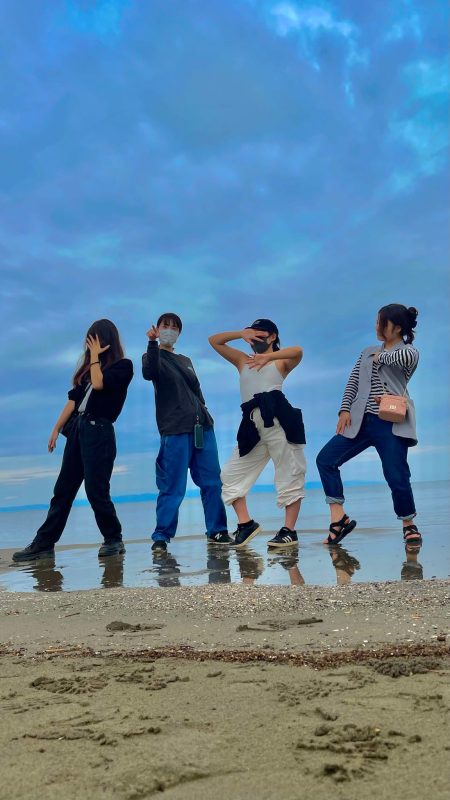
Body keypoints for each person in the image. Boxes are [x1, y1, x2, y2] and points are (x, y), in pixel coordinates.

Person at [13, 319, 133, 562]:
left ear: (106, 340)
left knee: (96, 490)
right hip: (78, 430)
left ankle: (113, 539)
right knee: (63, 490)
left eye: (95, 340)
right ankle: (44, 544)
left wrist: (95, 357)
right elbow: (73, 401)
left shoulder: (123, 366)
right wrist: (56, 428)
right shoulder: (88, 370)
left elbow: (99, 384)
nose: (90, 345)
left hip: (100, 431)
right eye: (89, 341)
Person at [316, 304, 421, 548]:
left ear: (396, 327)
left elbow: (400, 357)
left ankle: (408, 524)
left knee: (396, 474)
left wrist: (379, 357)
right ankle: (338, 519)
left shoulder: (409, 352)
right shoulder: (367, 352)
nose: (376, 327)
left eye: (380, 322)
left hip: (391, 422)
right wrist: (344, 409)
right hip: (360, 421)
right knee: (326, 459)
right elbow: (353, 381)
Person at [209, 319, 306, 549]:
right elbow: (214, 341)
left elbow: (298, 351)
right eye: (252, 335)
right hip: (252, 425)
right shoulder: (242, 360)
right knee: (230, 476)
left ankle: (289, 531)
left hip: (279, 421)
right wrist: (240, 333)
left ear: (272, 337)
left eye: (260, 335)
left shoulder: (281, 361)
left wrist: (268, 357)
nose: (254, 339)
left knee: (290, 473)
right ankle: (246, 524)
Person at [142, 312, 230, 553]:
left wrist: (203, 412)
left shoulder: (186, 360)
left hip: (203, 428)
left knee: (212, 482)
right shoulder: (152, 355)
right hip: (174, 430)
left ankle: (217, 530)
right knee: (172, 486)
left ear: (179, 333)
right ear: (158, 328)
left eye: (174, 327)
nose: (169, 330)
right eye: (165, 325)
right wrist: (152, 343)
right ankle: (161, 536)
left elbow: (197, 392)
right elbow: (149, 372)